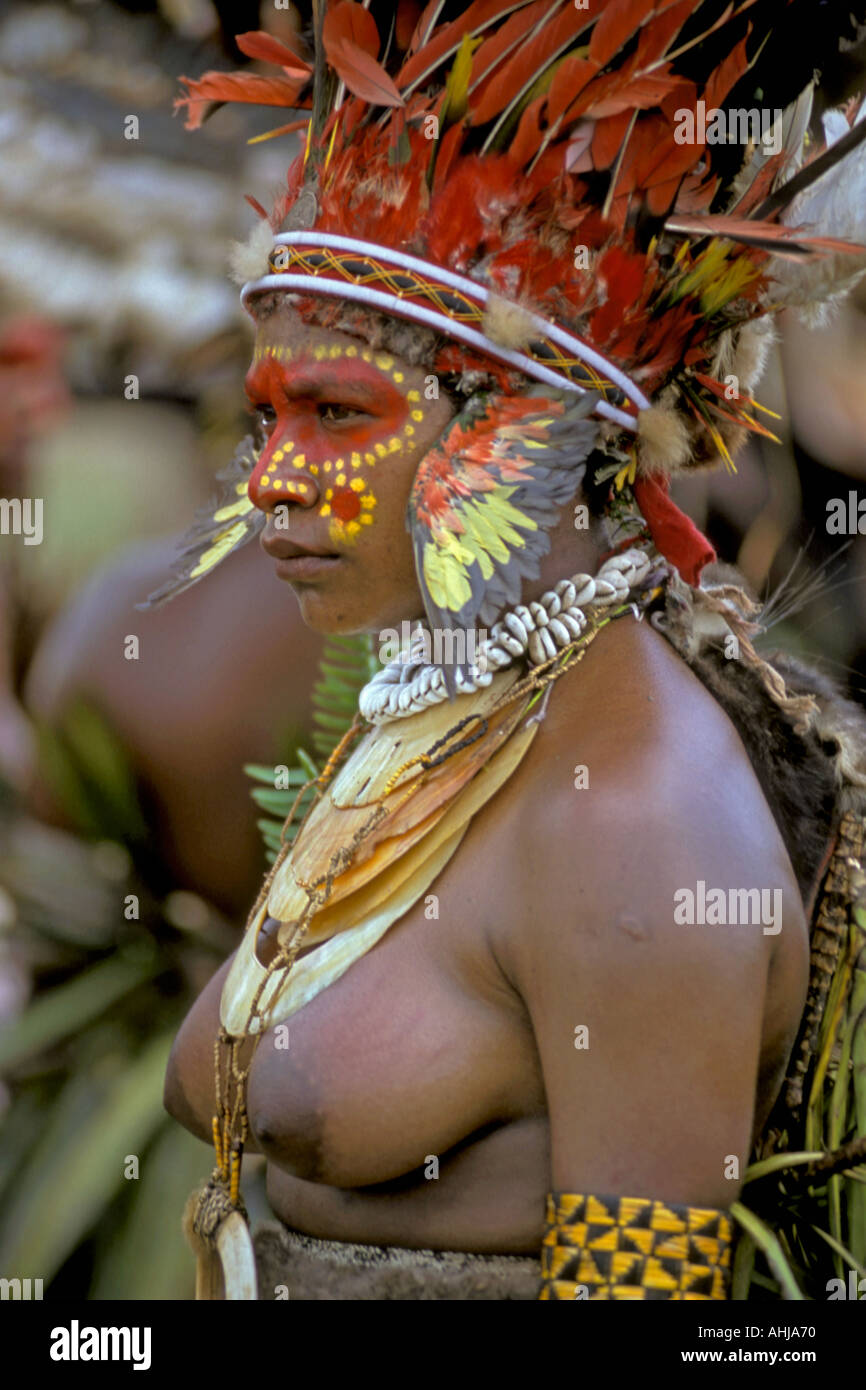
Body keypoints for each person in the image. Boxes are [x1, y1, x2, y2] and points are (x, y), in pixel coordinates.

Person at [162, 3, 866, 1299]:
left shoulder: (632, 828)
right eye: (267, 415)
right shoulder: (441, 716)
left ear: (519, 432)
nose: (268, 481)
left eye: (334, 415)